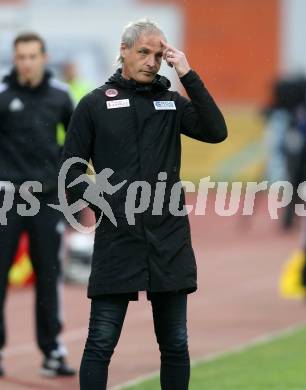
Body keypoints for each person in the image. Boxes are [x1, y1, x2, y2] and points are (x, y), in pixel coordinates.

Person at [61, 19, 227, 390]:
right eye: (143, 52)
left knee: (175, 344)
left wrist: (187, 73)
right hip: (117, 241)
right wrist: (103, 203)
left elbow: (216, 131)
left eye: (158, 54)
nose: (152, 61)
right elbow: (69, 173)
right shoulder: (93, 105)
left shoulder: (170, 100)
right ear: (123, 50)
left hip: (169, 240)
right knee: (101, 342)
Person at [0, 33, 76, 377]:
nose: (27, 62)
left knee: (49, 274)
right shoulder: (2, 96)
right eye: (21, 57)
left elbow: (77, 148)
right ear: (15, 59)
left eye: (32, 56)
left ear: (44, 57)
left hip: (46, 199)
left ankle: (52, 351)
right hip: (7, 199)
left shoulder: (60, 97)